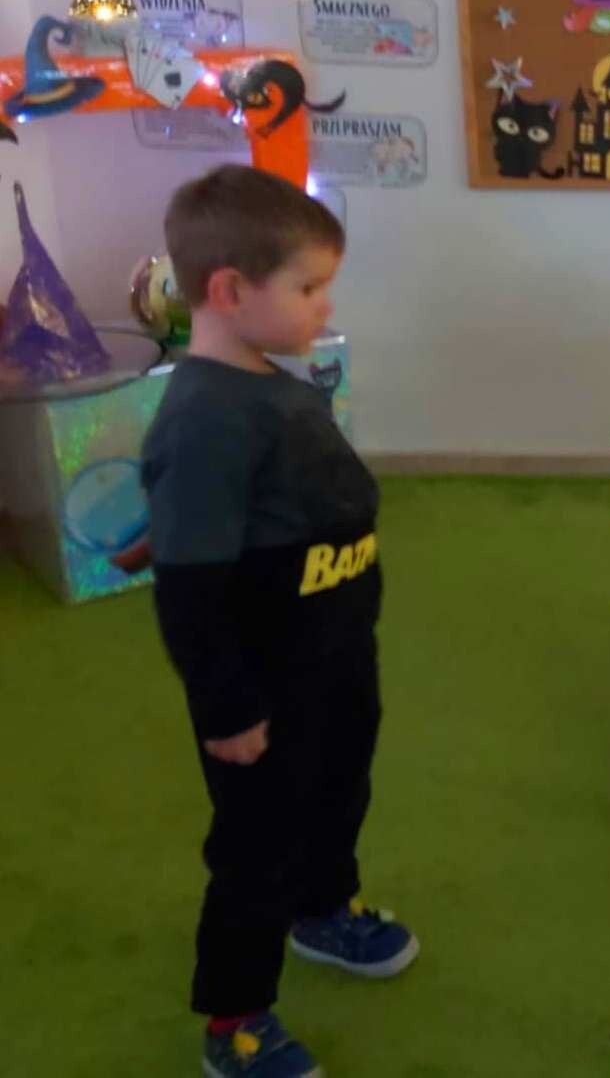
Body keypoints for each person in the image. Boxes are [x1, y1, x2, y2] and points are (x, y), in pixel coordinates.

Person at [142, 166, 416, 1078]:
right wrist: (226, 709)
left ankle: (323, 909)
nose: (323, 303)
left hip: (332, 657)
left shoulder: (268, 382)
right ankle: (235, 1018)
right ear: (230, 290)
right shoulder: (205, 416)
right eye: (307, 286)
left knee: (337, 794)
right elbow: (189, 590)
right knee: (256, 848)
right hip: (260, 688)